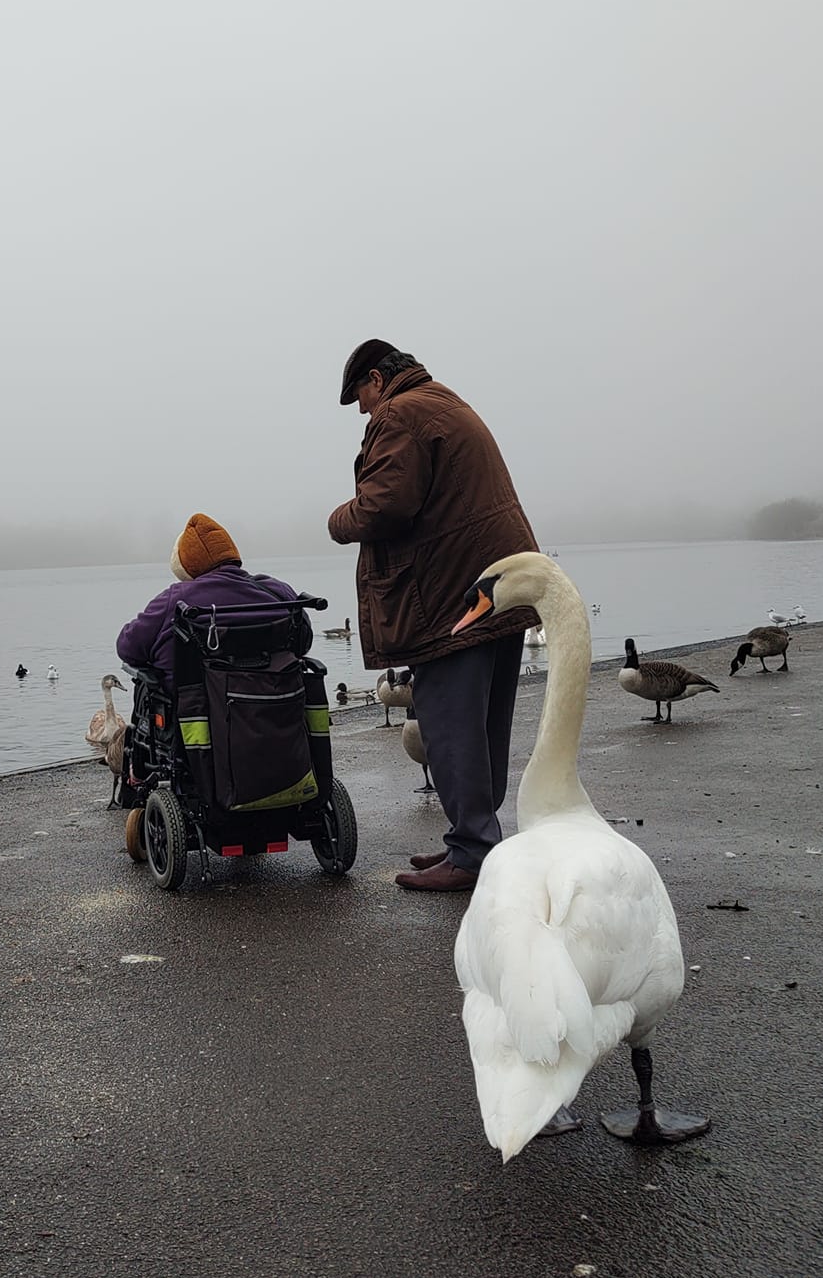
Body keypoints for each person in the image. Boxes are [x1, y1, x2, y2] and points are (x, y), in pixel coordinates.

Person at [327, 339, 538, 893]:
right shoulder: (445, 402)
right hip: (499, 582)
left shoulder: (401, 411)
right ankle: (472, 840)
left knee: (449, 727)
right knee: (485, 723)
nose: (364, 412)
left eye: (361, 398)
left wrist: (337, 519)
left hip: (450, 595)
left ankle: (471, 852)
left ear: (377, 378)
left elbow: (385, 504)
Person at [116, 513, 299, 680]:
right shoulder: (277, 591)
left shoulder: (176, 599)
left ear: (186, 565)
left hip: (193, 709)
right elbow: (302, 643)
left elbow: (128, 648)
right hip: (278, 704)